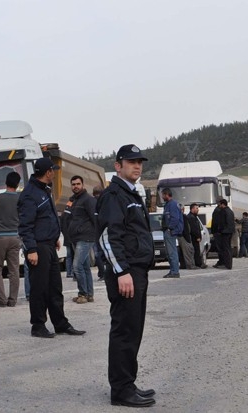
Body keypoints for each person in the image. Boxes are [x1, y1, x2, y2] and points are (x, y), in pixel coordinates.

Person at [96, 144, 155, 408]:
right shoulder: (114, 195)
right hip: (126, 273)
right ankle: (120, 390)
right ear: (118, 165)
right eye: (131, 162)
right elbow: (109, 236)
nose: (137, 166)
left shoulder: (131, 193)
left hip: (136, 271)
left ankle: (127, 383)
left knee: (134, 330)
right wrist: (122, 271)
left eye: (139, 162)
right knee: (124, 330)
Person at [18, 157, 85, 339]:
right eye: (53, 170)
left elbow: (46, 218)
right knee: (39, 289)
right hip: (38, 248)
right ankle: (38, 325)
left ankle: (60, 323)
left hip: (48, 244)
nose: (54, 173)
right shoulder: (30, 194)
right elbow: (25, 225)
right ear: (48, 172)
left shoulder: (44, 190)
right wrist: (31, 249)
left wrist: (54, 237)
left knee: (55, 287)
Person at [0, 172, 21, 307]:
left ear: (6, 182)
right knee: (14, 269)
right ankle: (12, 300)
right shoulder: (21, 198)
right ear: (18, 184)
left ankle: (1, 299)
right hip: (15, 237)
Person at [64, 175, 97, 304]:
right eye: (73, 184)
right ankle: (89, 294)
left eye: (78, 184)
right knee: (84, 267)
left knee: (76, 266)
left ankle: (82, 293)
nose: (75, 186)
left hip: (85, 237)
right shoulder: (72, 200)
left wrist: (94, 235)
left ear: (82, 185)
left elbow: (95, 219)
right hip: (75, 238)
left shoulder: (88, 200)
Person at [161, 188, 183, 278]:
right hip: (168, 230)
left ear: (166, 194)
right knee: (169, 252)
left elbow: (175, 218)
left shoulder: (172, 205)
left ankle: (175, 272)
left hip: (170, 231)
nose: (162, 197)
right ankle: (173, 270)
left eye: (163, 195)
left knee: (172, 252)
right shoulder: (168, 205)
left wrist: (170, 228)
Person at [213, 199, 235, 269]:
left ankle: (227, 264)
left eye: (220, 204)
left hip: (225, 232)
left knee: (225, 248)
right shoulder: (230, 211)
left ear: (222, 204)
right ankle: (229, 264)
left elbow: (221, 223)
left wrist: (219, 230)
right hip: (230, 231)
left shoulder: (223, 211)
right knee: (228, 248)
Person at [92, 185, 107, 282]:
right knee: (99, 254)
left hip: (97, 233)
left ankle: (103, 273)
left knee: (98, 254)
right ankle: (102, 273)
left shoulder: (99, 204)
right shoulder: (101, 203)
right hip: (98, 232)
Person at [188, 203, 208, 269]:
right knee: (196, 251)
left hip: (195, 237)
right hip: (194, 237)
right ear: (192, 209)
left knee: (198, 250)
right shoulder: (191, 217)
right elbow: (193, 229)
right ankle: (198, 264)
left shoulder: (194, 217)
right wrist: (197, 236)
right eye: (196, 208)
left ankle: (199, 263)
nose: (198, 210)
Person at [177, 203, 197, 270]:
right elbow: (185, 228)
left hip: (184, 236)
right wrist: (187, 237)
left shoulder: (181, 216)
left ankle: (188, 265)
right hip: (184, 236)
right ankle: (190, 265)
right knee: (188, 251)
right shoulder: (182, 217)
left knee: (189, 251)